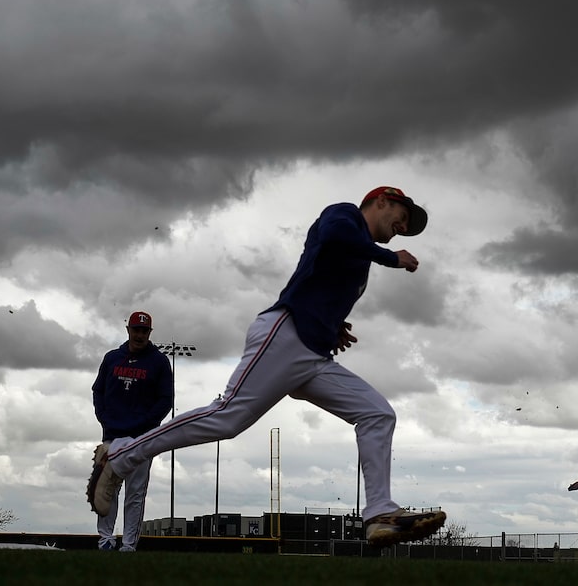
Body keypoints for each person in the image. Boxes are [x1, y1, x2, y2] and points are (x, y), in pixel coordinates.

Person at [86, 186, 445, 548]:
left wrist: (333, 325)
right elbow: (336, 237)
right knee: (226, 418)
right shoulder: (345, 215)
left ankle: (380, 512)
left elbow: (318, 278)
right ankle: (120, 453)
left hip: (313, 356)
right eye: (403, 214)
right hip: (283, 337)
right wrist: (390, 258)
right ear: (381, 201)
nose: (404, 224)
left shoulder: (359, 252)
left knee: (377, 414)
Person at [90, 311, 174, 552]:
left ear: (150, 333)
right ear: (128, 329)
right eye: (136, 329)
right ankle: (105, 540)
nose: (139, 334)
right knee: (107, 489)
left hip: (142, 438)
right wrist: (104, 417)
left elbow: (165, 400)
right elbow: (98, 391)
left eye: (144, 331)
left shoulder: (159, 362)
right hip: (113, 435)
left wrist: (146, 426)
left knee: (135, 493)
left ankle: (128, 545)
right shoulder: (112, 358)